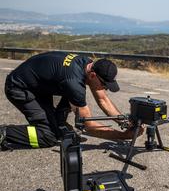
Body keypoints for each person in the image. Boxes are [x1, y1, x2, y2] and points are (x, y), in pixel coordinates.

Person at [0, 51, 143, 151]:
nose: (104, 88)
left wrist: (126, 123)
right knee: (47, 137)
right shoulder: (74, 82)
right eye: (104, 84)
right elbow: (89, 125)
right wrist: (124, 136)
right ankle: (4, 133)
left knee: (60, 128)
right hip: (19, 88)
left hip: (39, 86)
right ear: (93, 75)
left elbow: (103, 99)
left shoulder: (87, 64)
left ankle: (58, 123)